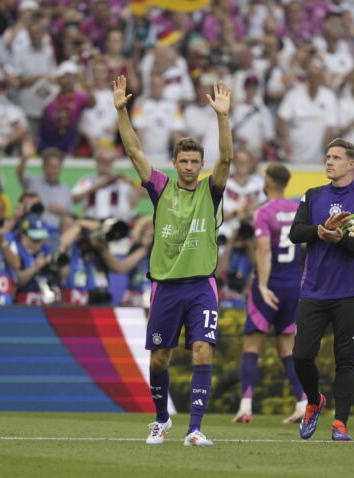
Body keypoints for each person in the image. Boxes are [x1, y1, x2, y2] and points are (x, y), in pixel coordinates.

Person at [115, 75, 233, 447]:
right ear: (174, 162)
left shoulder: (210, 191)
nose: (188, 166)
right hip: (165, 285)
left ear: (201, 164)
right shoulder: (161, 188)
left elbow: (227, 157)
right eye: (183, 160)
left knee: (202, 349)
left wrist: (222, 118)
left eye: (195, 161)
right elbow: (134, 151)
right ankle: (161, 419)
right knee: (159, 360)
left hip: (201, 285)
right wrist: (121, 111)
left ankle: (195, 429)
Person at [289, 138, 354, 442]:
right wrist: (320, 231)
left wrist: (341, 239)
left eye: (335, 157)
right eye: (327, 156)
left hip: (348, 291)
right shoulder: (312, 195)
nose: (329, 161)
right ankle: (315, 400)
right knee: (302, 356)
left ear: (351, 164)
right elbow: (295, 233)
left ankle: (340, 424)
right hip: (314, 290)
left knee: (346, 360)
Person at [232, 163, 306, 425]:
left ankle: (246, 406)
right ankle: (303, 402)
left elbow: (264, 252)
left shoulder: (264, 212)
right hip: (294, 285)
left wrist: (262, 286)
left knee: (252, 344)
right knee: (286, 347)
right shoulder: (298, 210)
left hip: (271, 284)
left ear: (269, 182)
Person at [72, 148, 138, 221]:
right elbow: (72, 200)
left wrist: (132, 182)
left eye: (110, 160)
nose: (107, 163)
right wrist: (94, 188)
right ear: (97, 162)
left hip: (117, 224)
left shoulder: (121, 180)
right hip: (92, 223)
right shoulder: (87, 180)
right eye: (103, 160)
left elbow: (147, 192)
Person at [17, 148, 73, 230]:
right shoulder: (33, 181)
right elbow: (20, 173)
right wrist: (24, 158)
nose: (53, 170)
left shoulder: (65, 190)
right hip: (31, 231)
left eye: (56, 166)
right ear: (43, 166)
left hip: (55, 234)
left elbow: (71, 218)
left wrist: (61, 212)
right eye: (50, 166)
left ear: (61, 167)